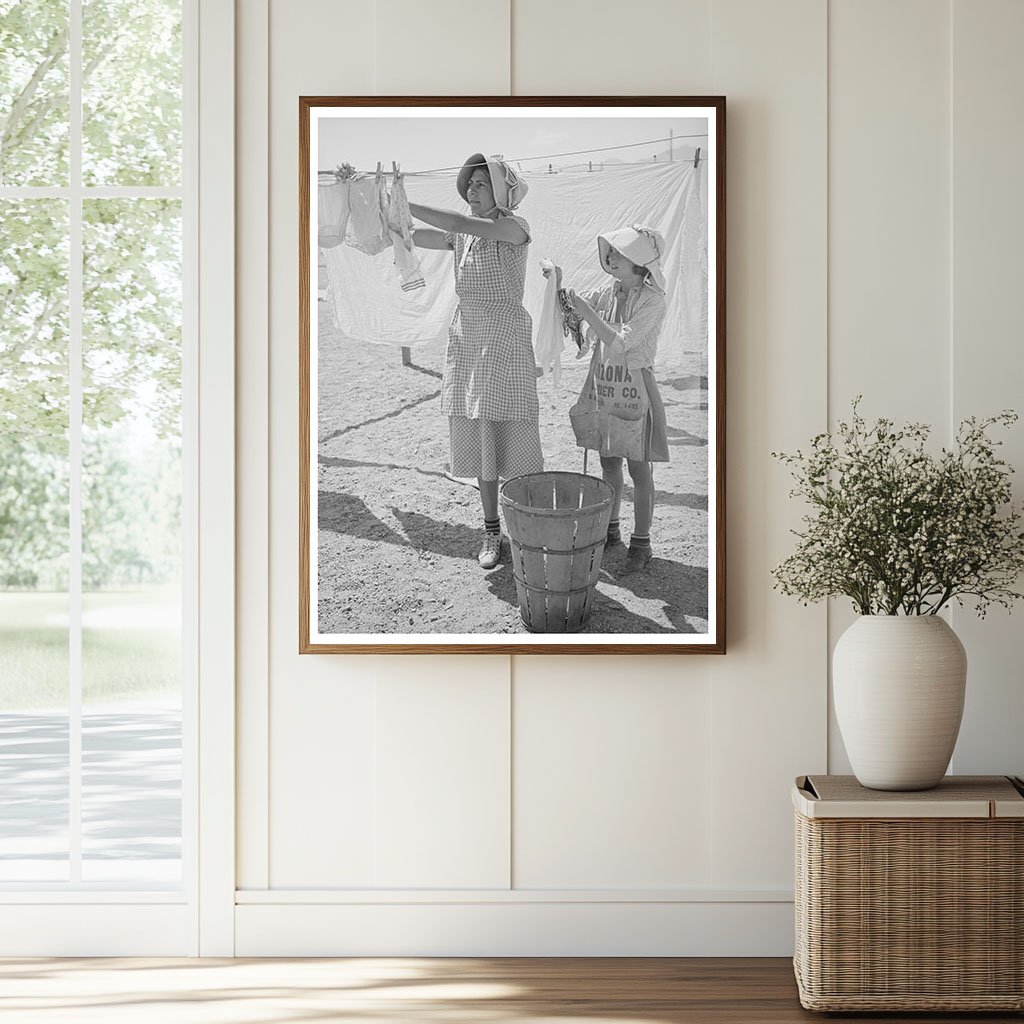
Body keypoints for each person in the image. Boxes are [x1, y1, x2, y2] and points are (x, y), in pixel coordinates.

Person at [404, 154, 543, 570]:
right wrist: (385, 212)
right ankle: (491, 530)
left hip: (504, 340)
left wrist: (402, 200)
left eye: (482, 184)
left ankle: (528, 529)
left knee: (515, 437)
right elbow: (416, 236)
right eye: (470, 184)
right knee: (483, 440)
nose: (471, 190)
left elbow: (457, 223)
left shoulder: (514, 228)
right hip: (469, 339)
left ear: (502, 193)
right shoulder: (463, 237)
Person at [544, 225, 669, 574]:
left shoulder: (653, 300)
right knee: (609, 461)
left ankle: (641, 542)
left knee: (639, 468)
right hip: (605, 385)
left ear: (640, 262)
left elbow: (621, 342)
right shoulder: (608, 291)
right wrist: (558, 282)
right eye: (610, 251)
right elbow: (573, 309)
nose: (610, 257)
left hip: (636, 389)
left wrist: (587, 312)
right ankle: (611, 529)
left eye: (619, 252)